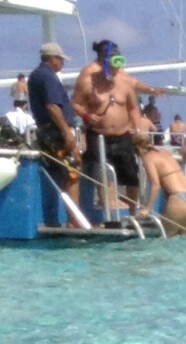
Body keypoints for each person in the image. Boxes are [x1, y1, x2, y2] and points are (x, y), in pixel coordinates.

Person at [70, 38, 147, 210]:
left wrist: (138, 129)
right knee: (104, 171)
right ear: (103, 63)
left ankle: (134, 211)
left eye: (118, 65)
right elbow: (75, 103)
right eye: (112, 66)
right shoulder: (88, 80)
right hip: (99, 134)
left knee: (131, 174)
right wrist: (86, 115)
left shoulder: (124, 81)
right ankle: (108, 207)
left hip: (123, 135)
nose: (116, 70)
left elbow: (133, 108)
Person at [26, 41, 79, 225]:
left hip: (46, 131)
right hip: (55, 132)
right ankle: (73, 220)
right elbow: (52, 106)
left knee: (60, 173)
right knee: (71, 173)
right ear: (52, 59)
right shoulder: (47, 77)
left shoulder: (35, 75)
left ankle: (65, 218)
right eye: (60, 60)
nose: (62, 64)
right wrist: (66, 132)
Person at [140, 142, 186, 234]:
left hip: (179, 198)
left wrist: (146, 208)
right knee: (185, 239)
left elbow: (155, 185)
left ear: (138, 149)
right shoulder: (164, 153)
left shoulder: (148, 158)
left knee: (166, 238)